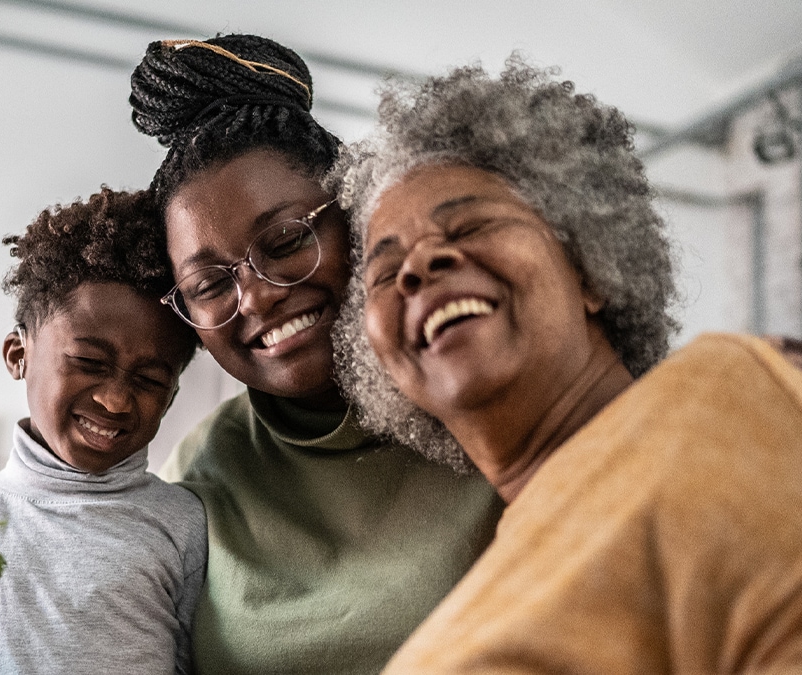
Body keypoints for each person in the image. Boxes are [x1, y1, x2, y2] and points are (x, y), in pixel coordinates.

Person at [331, 58, 802, 672]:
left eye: (470, 224)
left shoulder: (729, 393)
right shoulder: (472, 597)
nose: (420, 267)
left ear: (589, 267)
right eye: (386, 273)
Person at [127, 35, 503, 674]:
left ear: (356, 215)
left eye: (285, 241)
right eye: (211, 285)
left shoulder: (490, 410)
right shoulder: (197, 475)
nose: (256, 298)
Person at [0, 188, 206, 674]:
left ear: (172, 395)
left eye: (150, 381)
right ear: (18, 355)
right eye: (89, 363)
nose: (115, 400)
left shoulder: (185, 525)